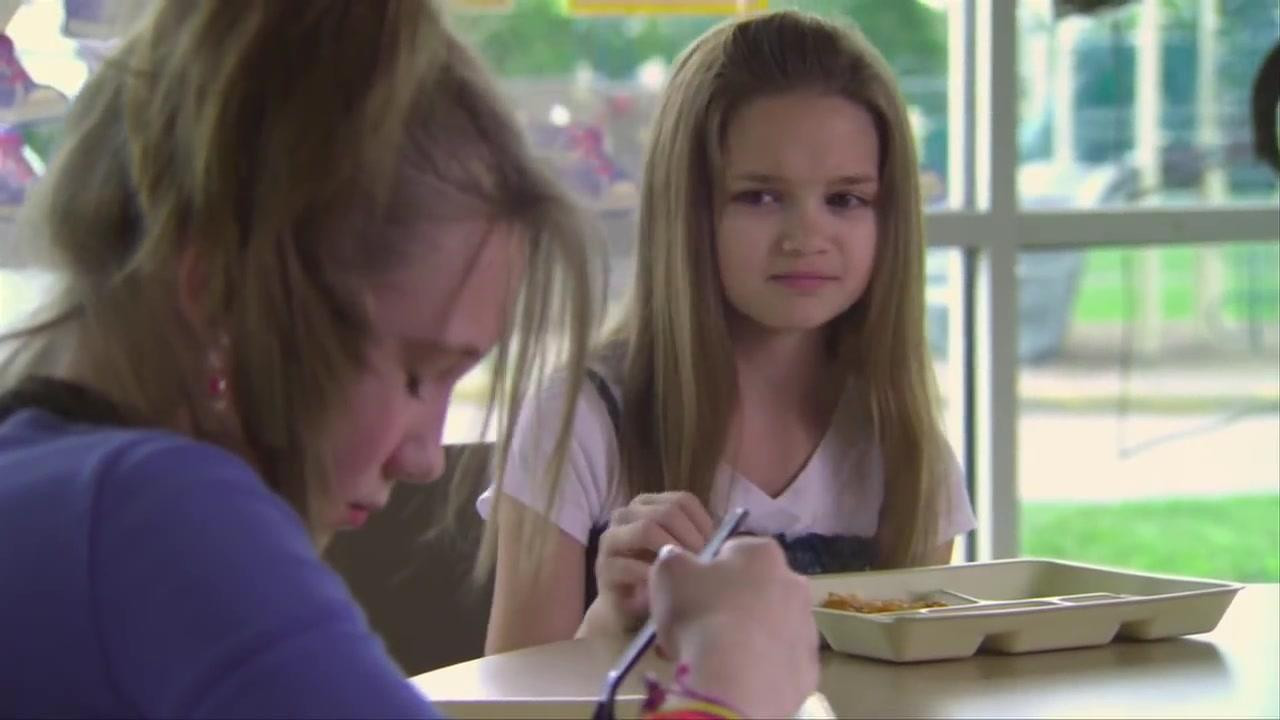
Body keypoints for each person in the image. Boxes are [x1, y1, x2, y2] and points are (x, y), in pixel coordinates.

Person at [0, 2, 818, 718]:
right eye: (417, 373)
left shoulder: (54, 490)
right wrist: (724, 687)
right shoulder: (161, 516)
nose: (426, 456)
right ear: (219, 296)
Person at [483, 9, 977, 654]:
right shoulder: (579, 420)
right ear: (685, 208)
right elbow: (509, 703)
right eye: (761, 197)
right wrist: (610, 619)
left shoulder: (905, 450)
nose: (807, 238)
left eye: (846, 199)